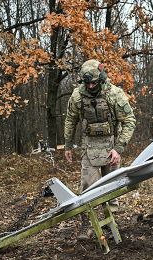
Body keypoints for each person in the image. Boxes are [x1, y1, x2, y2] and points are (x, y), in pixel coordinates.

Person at [64, 59, 136, 240]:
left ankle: (111, 222)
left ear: (101, 79)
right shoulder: (77, 96)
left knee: (112, 188)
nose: (90, 86)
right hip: (89, 145)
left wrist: (119, 148)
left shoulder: (114, 94)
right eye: (86, 83)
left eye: (93, 82)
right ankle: (87, 224)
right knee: (88, 186)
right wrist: (67, 144)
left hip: (111, 145)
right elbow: (71, 120)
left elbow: (129, 121)